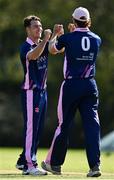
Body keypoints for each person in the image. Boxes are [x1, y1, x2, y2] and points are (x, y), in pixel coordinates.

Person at [41, 7, 102, 177]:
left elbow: (53, 49)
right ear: (88, 21)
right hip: (90, 85)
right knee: (92, 126)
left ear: (74, 21)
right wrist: (72, 35)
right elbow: (82, 44)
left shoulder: (68, 38)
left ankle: (55, 164)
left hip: (72, 85)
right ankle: (95, 166)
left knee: (64, 125)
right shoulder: (97, 39)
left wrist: (57, 35)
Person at [15, 15, 52, 176]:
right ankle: (30, 165)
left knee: (38, 129)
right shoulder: (26, 46)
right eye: (35, 26)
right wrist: (45, 39)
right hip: (31, 92)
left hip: (42, 91)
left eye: (40, 25)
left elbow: (55, 49)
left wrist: (57, 35)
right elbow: (34, 55)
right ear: (28, 29)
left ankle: (23, 160)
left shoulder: (40, 44)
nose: (39, 28)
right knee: (31, 128)